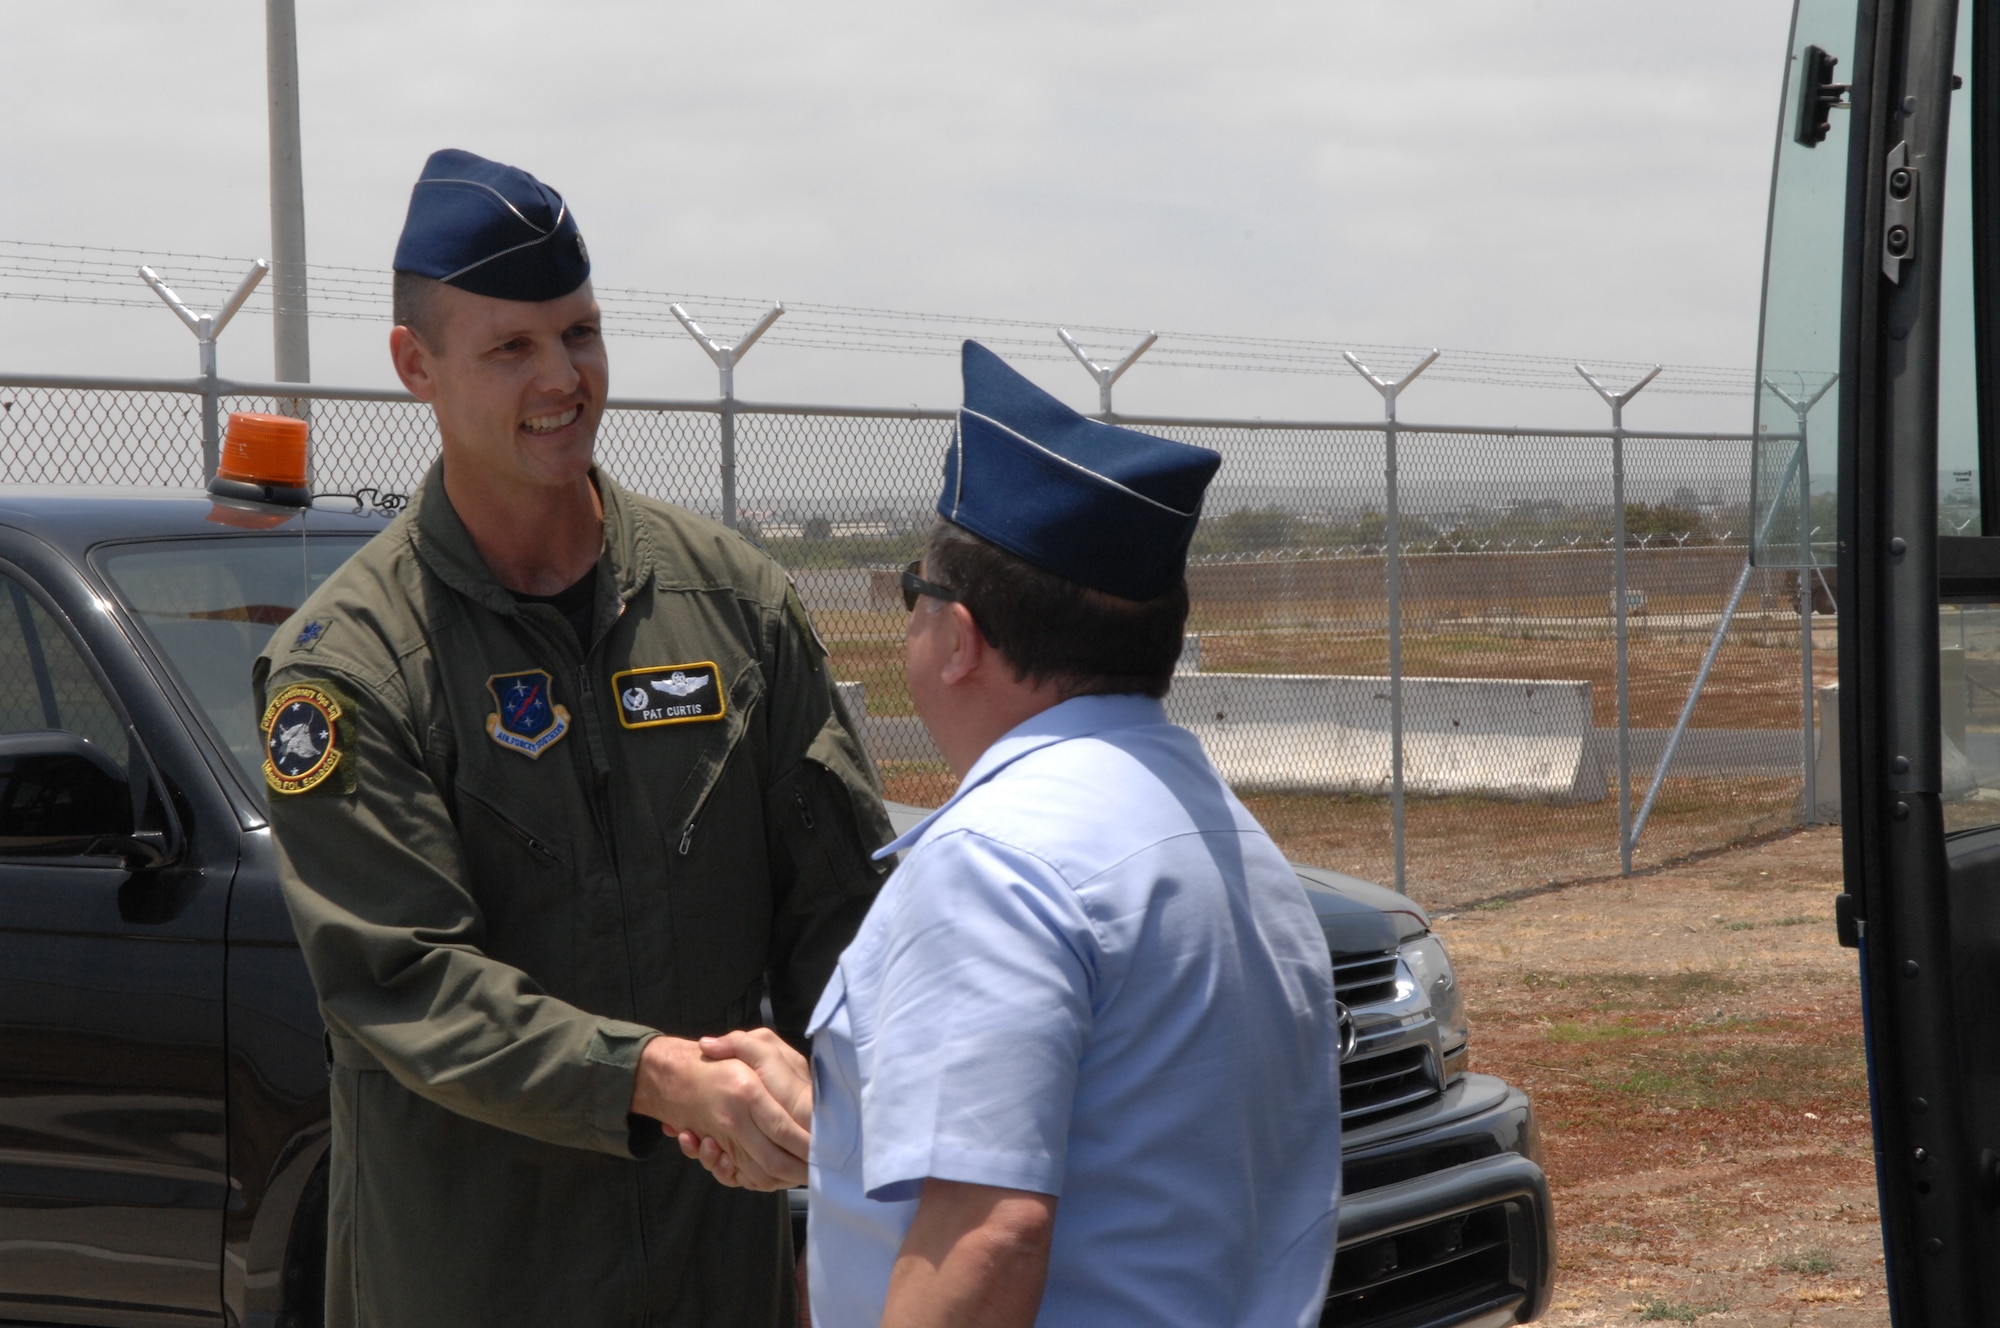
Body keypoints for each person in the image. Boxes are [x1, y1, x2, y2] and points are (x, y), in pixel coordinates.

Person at [253, 148, 891, 1327]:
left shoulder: (736, 607)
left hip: (714, 1275)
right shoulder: (348, 666)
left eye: (581, 333)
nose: (563, 378)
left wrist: (843, 1153)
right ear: (416, 366)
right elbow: (408, 984)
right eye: (511, 349)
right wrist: (659, 1080)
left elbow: (843, 918)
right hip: (476, 1279)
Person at [692, 341, 1343, 1327]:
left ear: (958, 638)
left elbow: (986, 1235)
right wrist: (846, 1123)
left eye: (913, 592)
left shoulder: (993, 867)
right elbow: (1132, 1145)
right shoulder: (1219, 835)